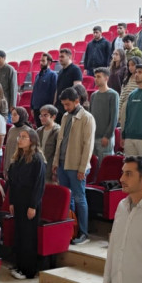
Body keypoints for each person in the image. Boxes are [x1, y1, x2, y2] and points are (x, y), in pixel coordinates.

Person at [53, 87, 94, 245]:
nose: (65, 108)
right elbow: (60, 141)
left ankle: (83, 232)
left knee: (79, 198)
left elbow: (88, 145)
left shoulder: (87, 118)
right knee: (67, 198)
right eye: (63, 104)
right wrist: (56, 161)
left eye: (68, 104)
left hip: (76, 165)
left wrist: (83, 168)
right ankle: (70, 230)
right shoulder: (65, 116)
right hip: (63, 162)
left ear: (77, 101)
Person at [7, 130, 46, 279]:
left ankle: (28, 270)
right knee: (19, 234)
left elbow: (39, 185)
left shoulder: (37, 159)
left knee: (28, 236)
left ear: (32, 140)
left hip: (30, 201)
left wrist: (33, 206)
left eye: (24, 137)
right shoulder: (18, 157)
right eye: (20, 136)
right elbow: (12, 182)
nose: (20, 139)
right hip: (18, 200)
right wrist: (11, 201)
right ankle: (19, 265)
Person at [90, 68, 118, 163]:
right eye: (95, 77)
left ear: (106, 78)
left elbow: (114, 118)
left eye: (99, 77)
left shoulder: (113, 94)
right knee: (93, 165)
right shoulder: (93, 95)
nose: (96, 79)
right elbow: (90, 116)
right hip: (93, 136)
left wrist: (107, 136)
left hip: (105, 137)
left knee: (104, 164)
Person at [54, 48, 83, 123]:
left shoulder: (75, 70)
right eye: (59, 57)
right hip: (59, 106)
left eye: (62, 57)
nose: (60, 59)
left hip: (69, 105)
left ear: (69, 57)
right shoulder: (60, 71)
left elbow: (77, 89)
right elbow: (57, 89)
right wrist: (55, 103)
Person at [117, 57, 140, 130]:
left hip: (135, 108)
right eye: (129, 65)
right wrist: (119, 111)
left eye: (133, 65)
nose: (130, 67)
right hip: (124, 108)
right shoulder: (127, 79)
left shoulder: (141, 79)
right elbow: (122, 96)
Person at [35, 105, 60, 171]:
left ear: (53, 117)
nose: (42, 118)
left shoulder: (58, 131)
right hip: (39, 165)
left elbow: (58, 152)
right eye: (41, 116)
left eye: (45, 115)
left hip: (51, 167)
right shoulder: (38, 131)